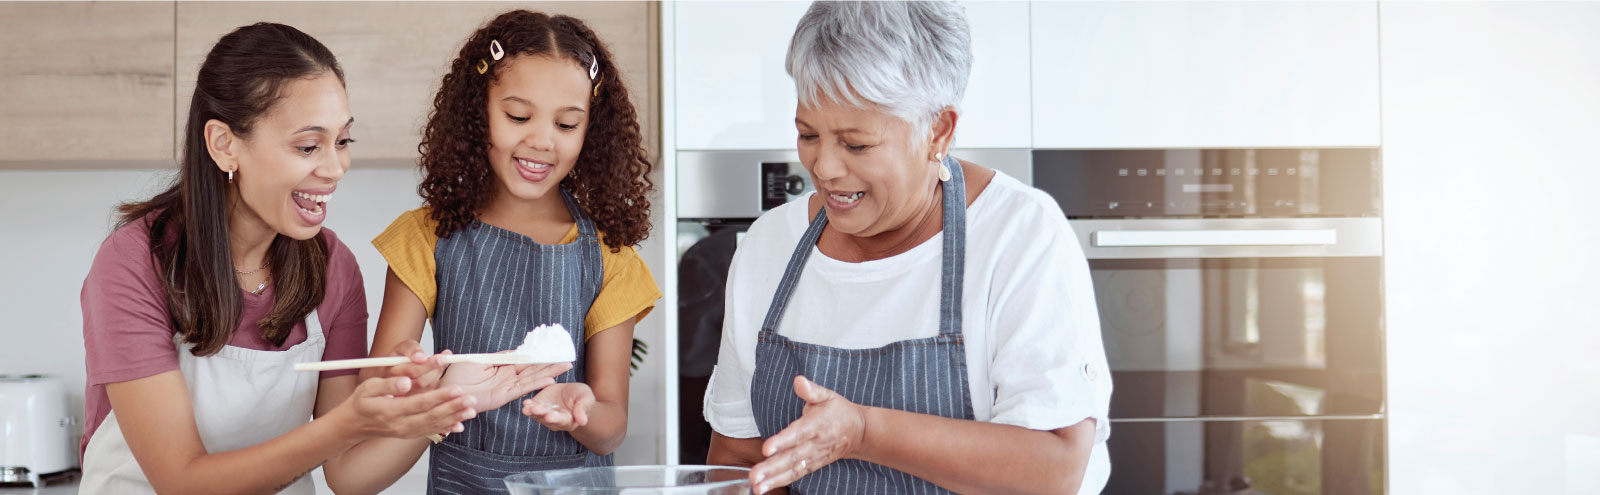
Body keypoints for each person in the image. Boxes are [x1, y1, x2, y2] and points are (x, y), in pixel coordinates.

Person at [703, 2, 1114, 493]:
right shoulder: (769, 247)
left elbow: (1055, 468)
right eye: (808, 134)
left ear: (937, 131)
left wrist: (861, 432)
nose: (825, 167)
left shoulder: (1019, 234)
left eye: (856, 144)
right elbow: (738, 459)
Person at [77, 23, 505, 494]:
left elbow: (348, 474)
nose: (335, 168)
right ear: (224, 144)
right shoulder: (136, 263)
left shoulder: (333, 267)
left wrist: (437, 403)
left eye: (342, 142)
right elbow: (182, 482)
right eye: (307, 146)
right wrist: (346, 423)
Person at [364, 10, 662, 494]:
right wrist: (411, 379)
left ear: (591, 133)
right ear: (477, 110)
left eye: (567, 124)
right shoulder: (425, 238)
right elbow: (378, 403)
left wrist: (579, 409)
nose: (541, 140)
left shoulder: (611, 257)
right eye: (518, 116)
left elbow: (611, 428)